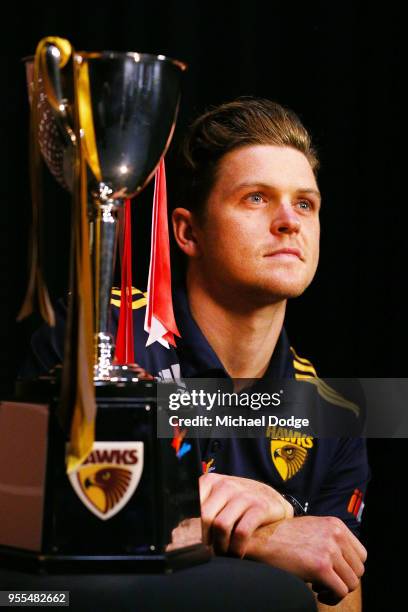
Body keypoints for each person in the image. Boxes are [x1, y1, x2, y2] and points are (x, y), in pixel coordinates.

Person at [21, 98, 369, 610]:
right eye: (255, 198)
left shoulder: (335, 415)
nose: (288, 222)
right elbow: (39, 545)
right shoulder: (96, 340)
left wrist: (286, 519)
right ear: (187, 231)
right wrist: (251, 535)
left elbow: (338, 585)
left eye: (305, 204)